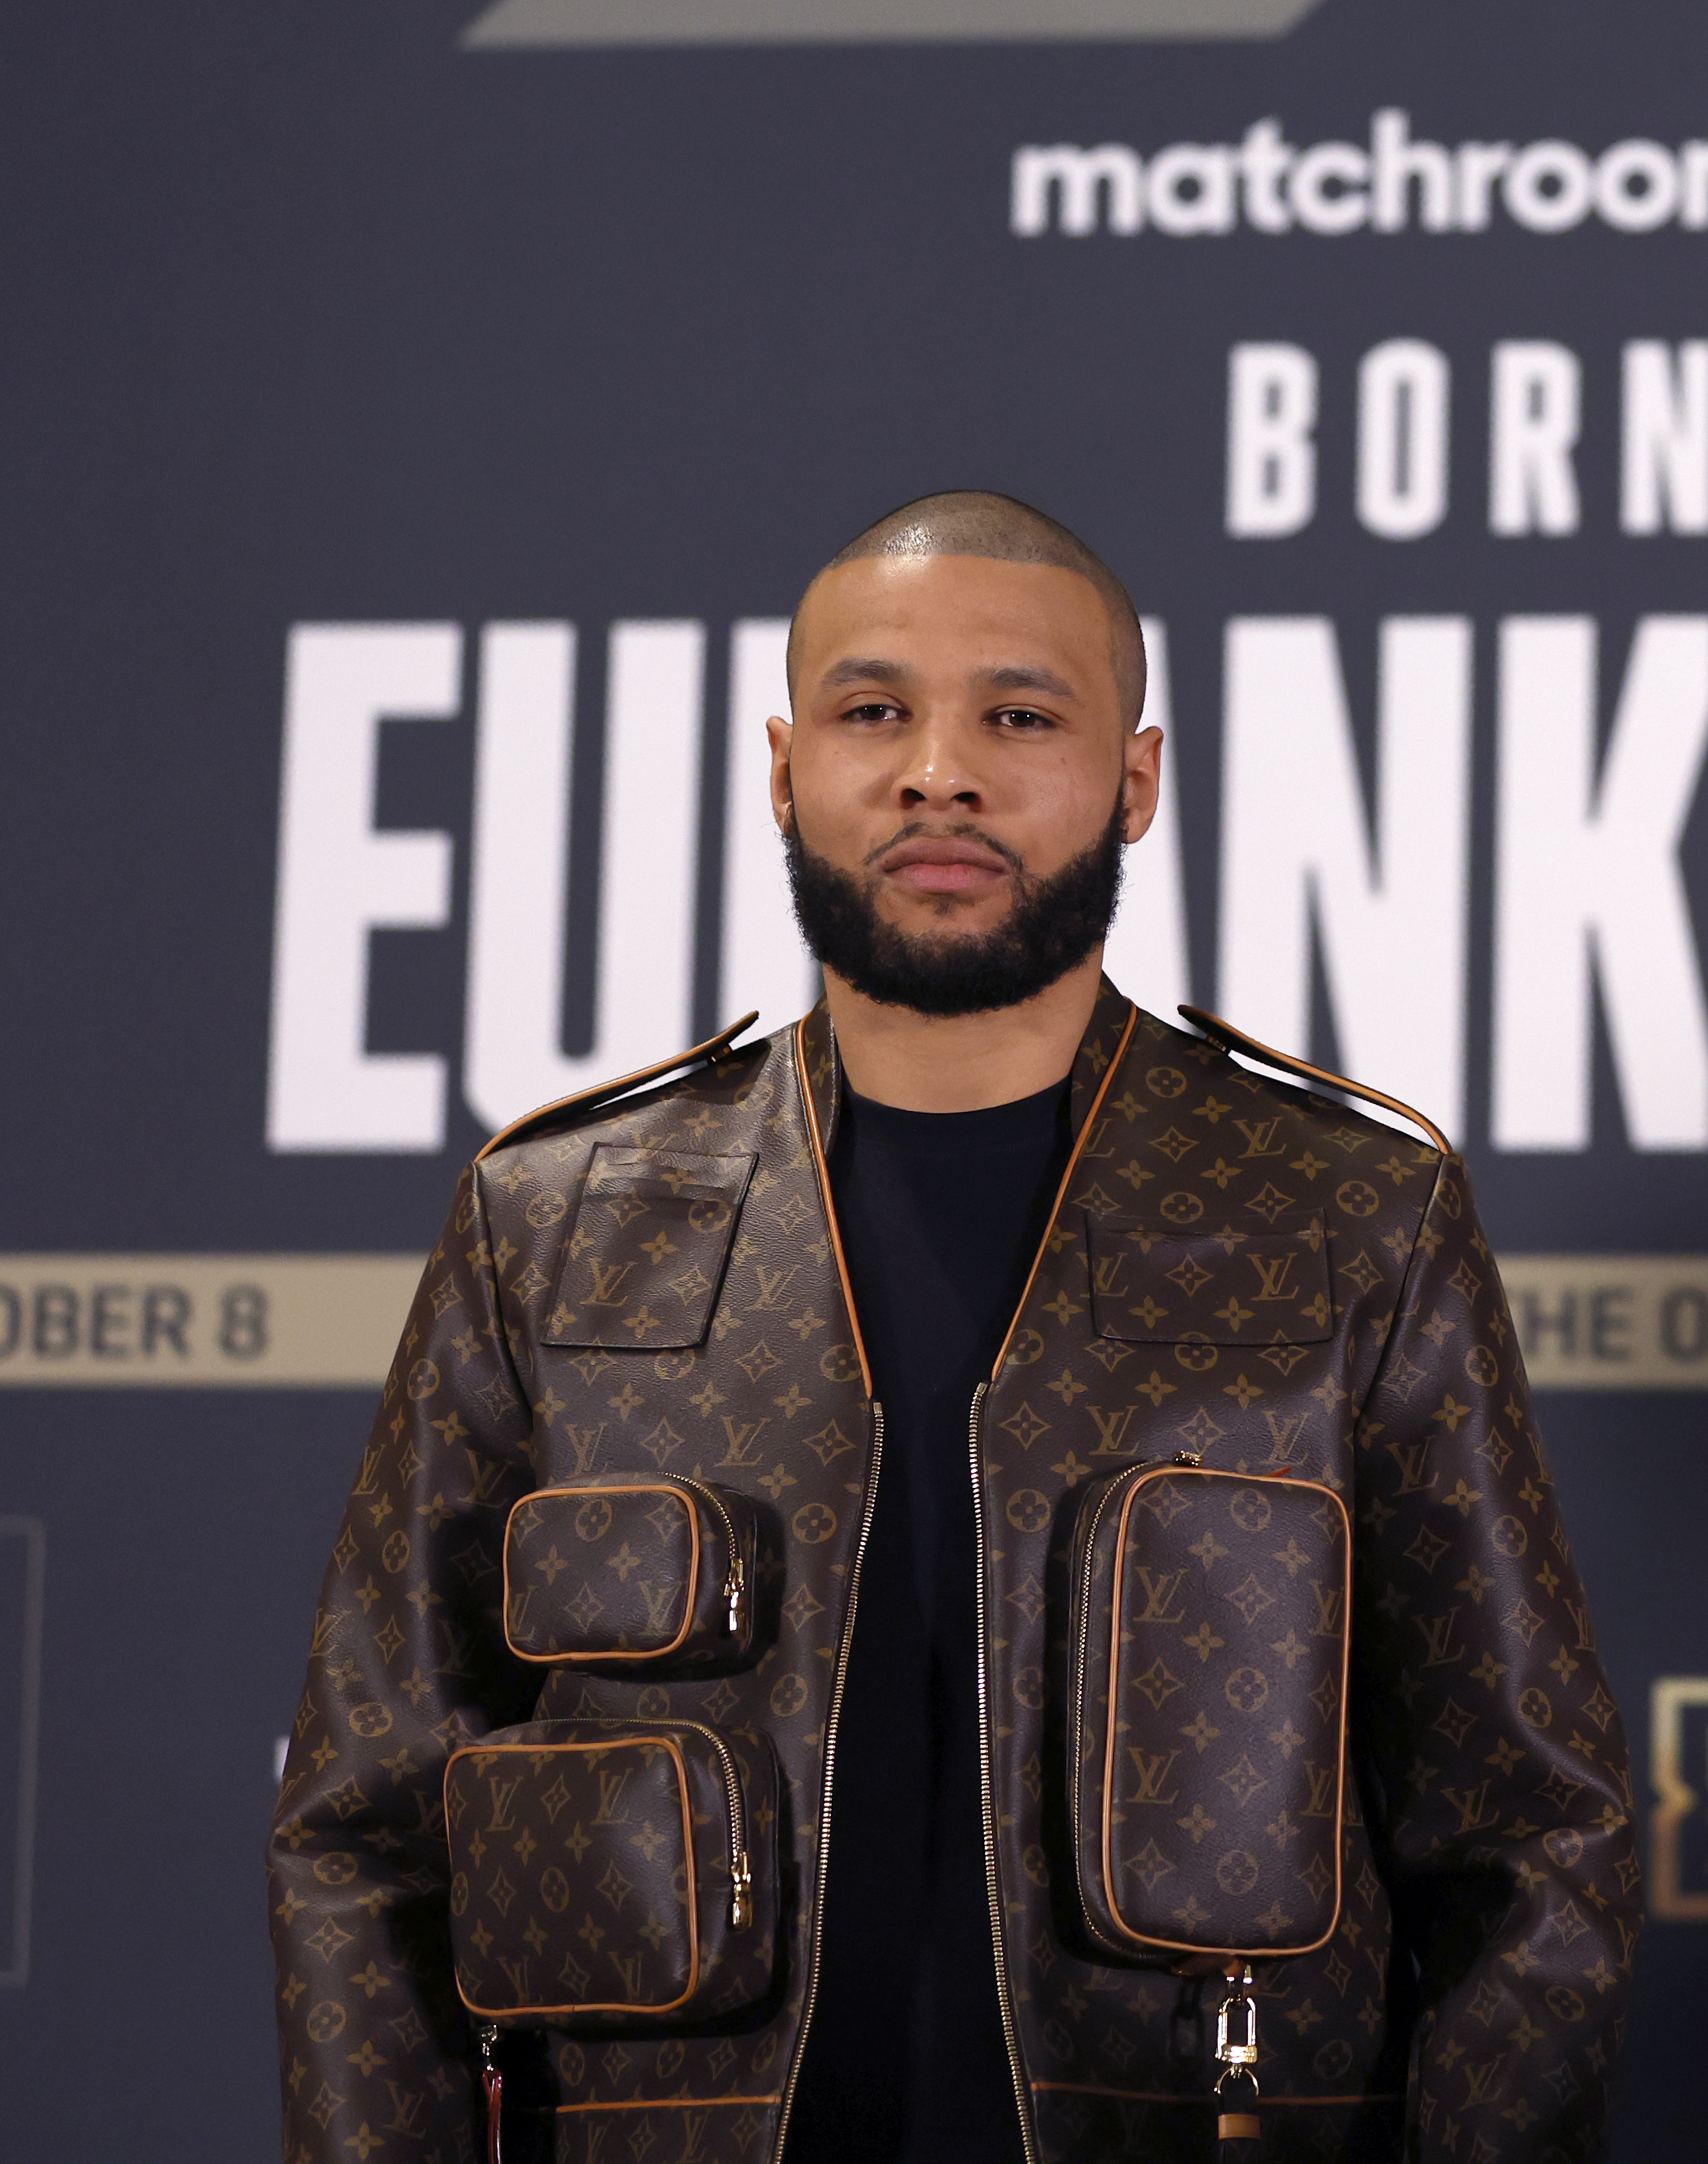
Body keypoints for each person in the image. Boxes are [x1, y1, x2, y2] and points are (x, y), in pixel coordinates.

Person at [268, 492, 1637, 2163]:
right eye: (874, 712)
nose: (939, 773)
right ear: (786, 770)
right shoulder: (554, 1225)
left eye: (1019, 716)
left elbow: (1533, 1834)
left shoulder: (1352, 1215)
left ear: (1135, 780)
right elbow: (364, 1832)